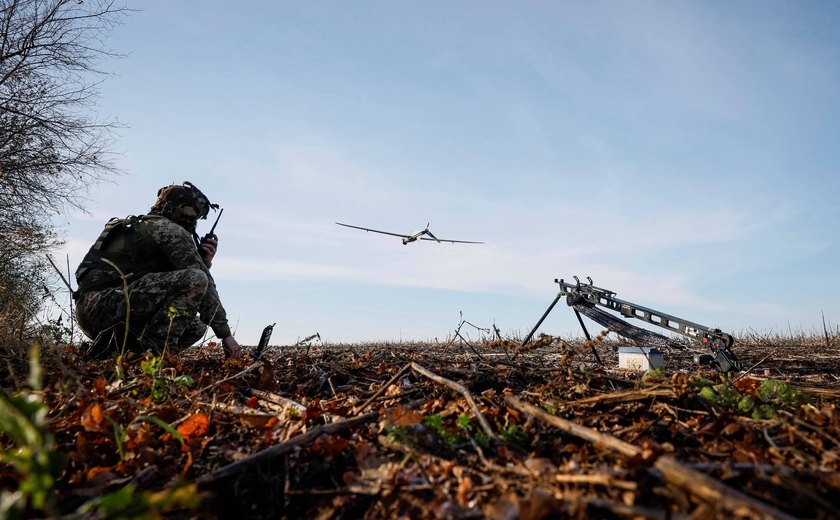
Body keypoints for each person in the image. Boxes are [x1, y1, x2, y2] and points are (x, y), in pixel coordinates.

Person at [73, 181, 242, 359]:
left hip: (92, 310)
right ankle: (154, 357)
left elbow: (166, 286)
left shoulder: (138, 226)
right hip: (109, 306)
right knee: (197, 278)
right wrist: (225, 335)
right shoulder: (168, 229)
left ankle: (116, 355)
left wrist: (204, 262)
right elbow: (199, 282)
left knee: (196, 326)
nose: (193, 223)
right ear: (180, 211)